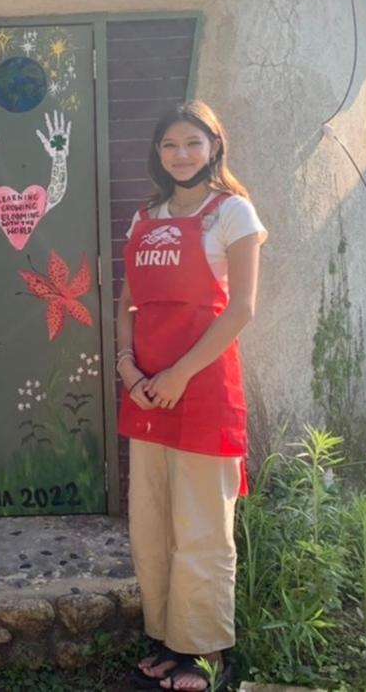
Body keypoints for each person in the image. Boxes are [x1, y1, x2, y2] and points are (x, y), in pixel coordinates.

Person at [117, 102, 267, 691]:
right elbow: (127, 302)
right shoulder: (144, 217)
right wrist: (129, 367)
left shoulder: (232, 213)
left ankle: (204, 651)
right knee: (150, 524)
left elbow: (242, 310)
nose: (181, 154)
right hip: (146, 392)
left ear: (214, 147)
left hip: (203, 389)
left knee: (203, 525)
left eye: (192, 143)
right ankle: (164, 636)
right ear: (158, 155)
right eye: (169, 145)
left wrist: (179, 373)